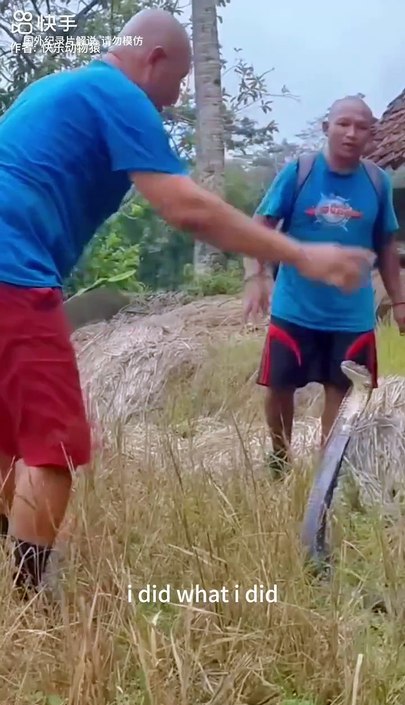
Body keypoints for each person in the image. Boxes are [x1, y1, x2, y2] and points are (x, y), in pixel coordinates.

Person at [0, 13, 373, 597]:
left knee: (9, 438)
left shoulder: (53, 88)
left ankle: (15, 573)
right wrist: (301, 255)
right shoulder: (117, 93)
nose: (174, 101)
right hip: (13, 274)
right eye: (177, 82)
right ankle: (29, 604)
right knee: (55, 448)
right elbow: (186, 208)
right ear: (153, 59)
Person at [243, 96, 404, 473]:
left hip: (351, 316)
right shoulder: (299, 173)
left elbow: (386, 246)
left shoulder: (377, 183)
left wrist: (399, 302)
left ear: (372, 134)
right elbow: (259, 227)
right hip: (294, 308)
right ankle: (279, 458)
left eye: (361, 127)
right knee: (279, 387)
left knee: (341, 393)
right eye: (343, 124)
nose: (351, 133)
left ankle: (324, 476)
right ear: (325, 128)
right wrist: (256, 275)